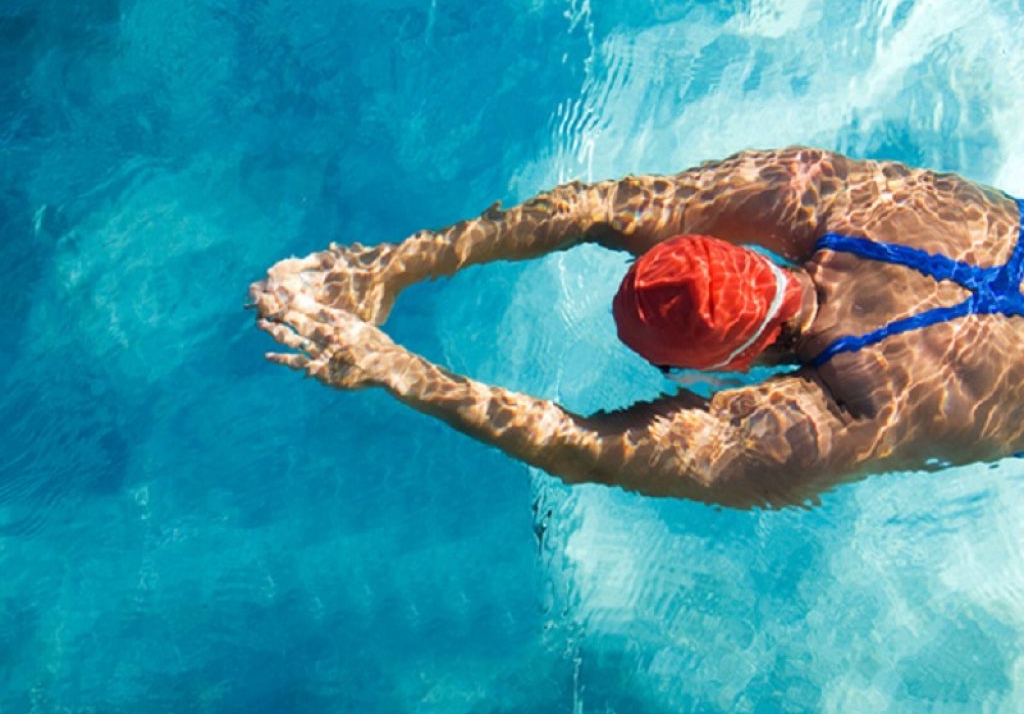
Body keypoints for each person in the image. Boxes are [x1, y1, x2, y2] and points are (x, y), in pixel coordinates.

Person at [249, 147, 1024, 508]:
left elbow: (584, 449)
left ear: (732, 363)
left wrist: (387, 366)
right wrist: (392, 265)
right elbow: (604, 208)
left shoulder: (851, 414)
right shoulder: (837, 199)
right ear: (733, 247)